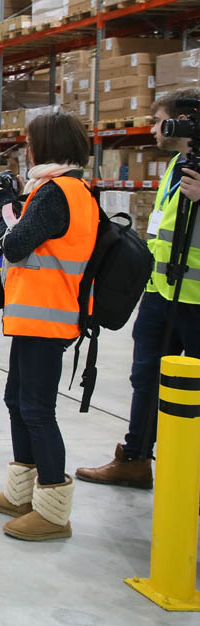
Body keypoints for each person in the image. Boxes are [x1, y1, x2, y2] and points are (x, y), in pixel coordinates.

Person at [0, 110, 99, 541]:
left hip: (48, 318)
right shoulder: (71, 189)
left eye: (30, 142)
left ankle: (53, 510)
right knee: (17, 400)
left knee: (35, 409)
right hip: (38, 315)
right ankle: (22, 494)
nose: (25, 149)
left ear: (46, 146)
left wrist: (6, 207)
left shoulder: (55, 192)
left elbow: (13, 246)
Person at [76, 87, 200, 489]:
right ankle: (135, 458)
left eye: (159, 119)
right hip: (163, 294)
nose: (153, 128)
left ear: (181, 122)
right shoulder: (178, 165)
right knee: (145, 378)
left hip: (197, 302)